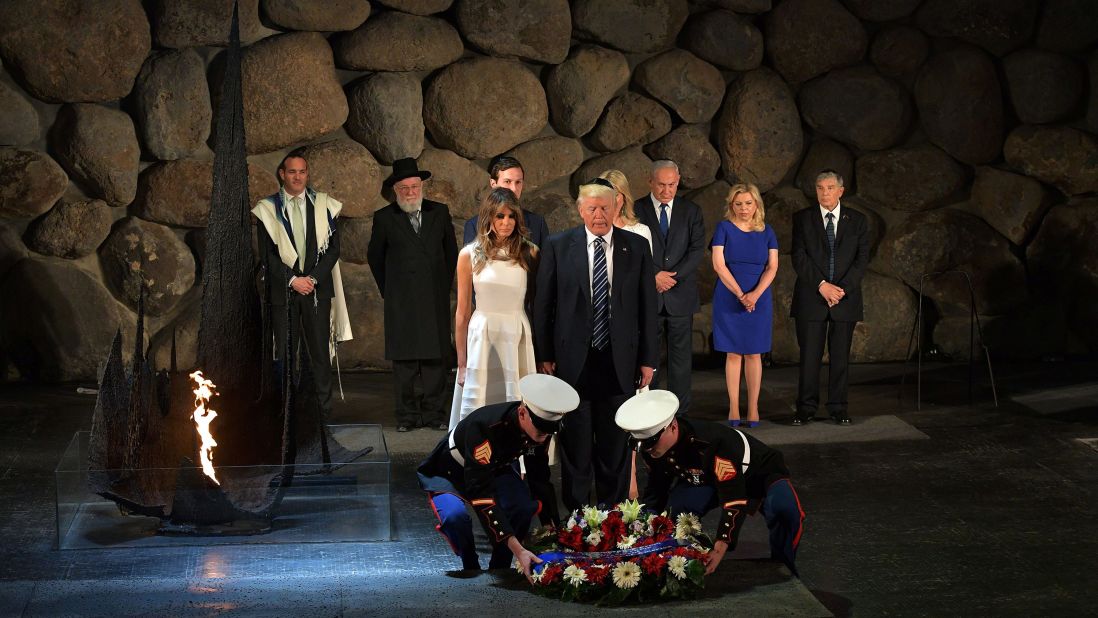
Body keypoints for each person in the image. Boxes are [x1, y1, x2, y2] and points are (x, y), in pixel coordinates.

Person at [533, 181, 658, 511]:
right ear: (580, 210)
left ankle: (613, 520)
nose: (599, 215)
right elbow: (543, 306)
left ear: (617, 206)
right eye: (592, 208)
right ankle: (576, 520)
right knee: (575, 448)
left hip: (620, 362)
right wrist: (544, 355)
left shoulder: (636, 246)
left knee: (615, 447)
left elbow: (647, 306)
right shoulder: (559, 246)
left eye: (605, 207)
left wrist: (648, 359)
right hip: (572, 363)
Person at [616, 389, 805, 577]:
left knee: (785, 510)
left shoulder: (709, 444)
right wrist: (644, 531)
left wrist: (720, 546)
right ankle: (688, 562)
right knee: (679, 507)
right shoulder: (653, 450)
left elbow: (734, 497)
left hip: (759, 473)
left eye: (652, 442)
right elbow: (656, 489)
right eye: (643, 445)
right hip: (710, 478)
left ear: (672, 426)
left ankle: (784, 569)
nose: (648, 450)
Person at [418, 373, 580, 575]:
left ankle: (500, 568)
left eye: (548, 434)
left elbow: (539, 477)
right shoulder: (485, 428)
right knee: (455, 517)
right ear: (522, 413)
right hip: (450, 471)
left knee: (523, 508)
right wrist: (519, 548)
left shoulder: (540, 430)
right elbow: (481, 493)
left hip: (495, 467)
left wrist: (551, 527)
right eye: (540, 433)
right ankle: (470, 565)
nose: (542, 439)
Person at [252, 148, 351, 425]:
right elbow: (267, 255)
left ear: (307, 174)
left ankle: (322, 413)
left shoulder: (325, 206)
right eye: (292, 172)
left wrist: (313, 279)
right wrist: (293, 280)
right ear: (282, 175)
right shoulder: (267, 209)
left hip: (317, 290)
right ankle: (287, 412)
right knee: (284, 353)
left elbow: (333, 251)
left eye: (302, 171)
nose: (297, 177)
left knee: (319, 353)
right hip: (284, 292)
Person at [368, 157, 459, 432]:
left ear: (422, 186)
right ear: (396, 190)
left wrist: (441, 287)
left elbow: (451, 253)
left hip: (434, 298)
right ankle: (406, 416)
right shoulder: (384, 218)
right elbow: (375, 258)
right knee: (405, 363)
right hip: (401, 301)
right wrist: (392, 291)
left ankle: (434, 415)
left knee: (435, 360)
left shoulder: (439, 212)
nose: (410, 192)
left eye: (414, 186)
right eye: (404, 187)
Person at [448, 188, 539, 429]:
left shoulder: (529, 251)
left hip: (516, 334)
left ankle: (518, 464)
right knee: (481, 405)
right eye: (500, 216)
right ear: (489, 217)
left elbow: (537, 302)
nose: (506, 223)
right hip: (482, 336)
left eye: (511, 217)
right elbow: (462, 313)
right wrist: (462, 363)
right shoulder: (469, 254)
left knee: (516, 404)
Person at [790, 170, 869, 426]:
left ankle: (838, 407)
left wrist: (840, 289)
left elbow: (861, 260)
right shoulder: (803, 219)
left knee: (840, 357)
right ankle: (806, 408)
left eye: (830, 187)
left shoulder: (857, 220)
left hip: (845, 299)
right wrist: (822, 285)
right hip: (812, 298)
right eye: (820, 187)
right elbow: (799, 257)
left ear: (840, 190)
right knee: (809, 357)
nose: (825, 192)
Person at [634, 160, 705, 413]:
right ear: (650, 181)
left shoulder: (691, 211)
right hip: (648, 296)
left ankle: (679, 414)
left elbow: (697, 250)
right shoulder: (636, 209)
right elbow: (630, 249)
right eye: (662, 185)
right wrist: (653, 276)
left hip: (680, 295)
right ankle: (650, 413)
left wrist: (671, 277)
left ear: (678, 181)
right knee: (648, 359)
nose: (667, 190)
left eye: (672, 185)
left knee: (681, 361)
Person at [711, 183, 779, 428]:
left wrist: (755, 294)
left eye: (748, 203)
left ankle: (753, 407)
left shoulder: (767, 231)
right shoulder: (724, 228)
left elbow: (772, 267)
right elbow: (719, 265)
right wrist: (741, 294)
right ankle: (733, 406)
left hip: (758, 299)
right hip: (730, 296)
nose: (743, 208)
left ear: (756, 205)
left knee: (754, 352)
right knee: (733, 353)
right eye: (738, 204)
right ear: (732, 205)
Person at [462, 155, 550, 248]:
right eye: (507, 181)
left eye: (518, 182)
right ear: (493, 184)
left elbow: (547, 262)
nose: (514, 188)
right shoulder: (474, 225)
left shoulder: (537, 223)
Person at [597, 169, 653, 252]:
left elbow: (646, 264)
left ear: (625, 198)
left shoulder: (641, 232)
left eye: (615, 195)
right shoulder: (588, 233)